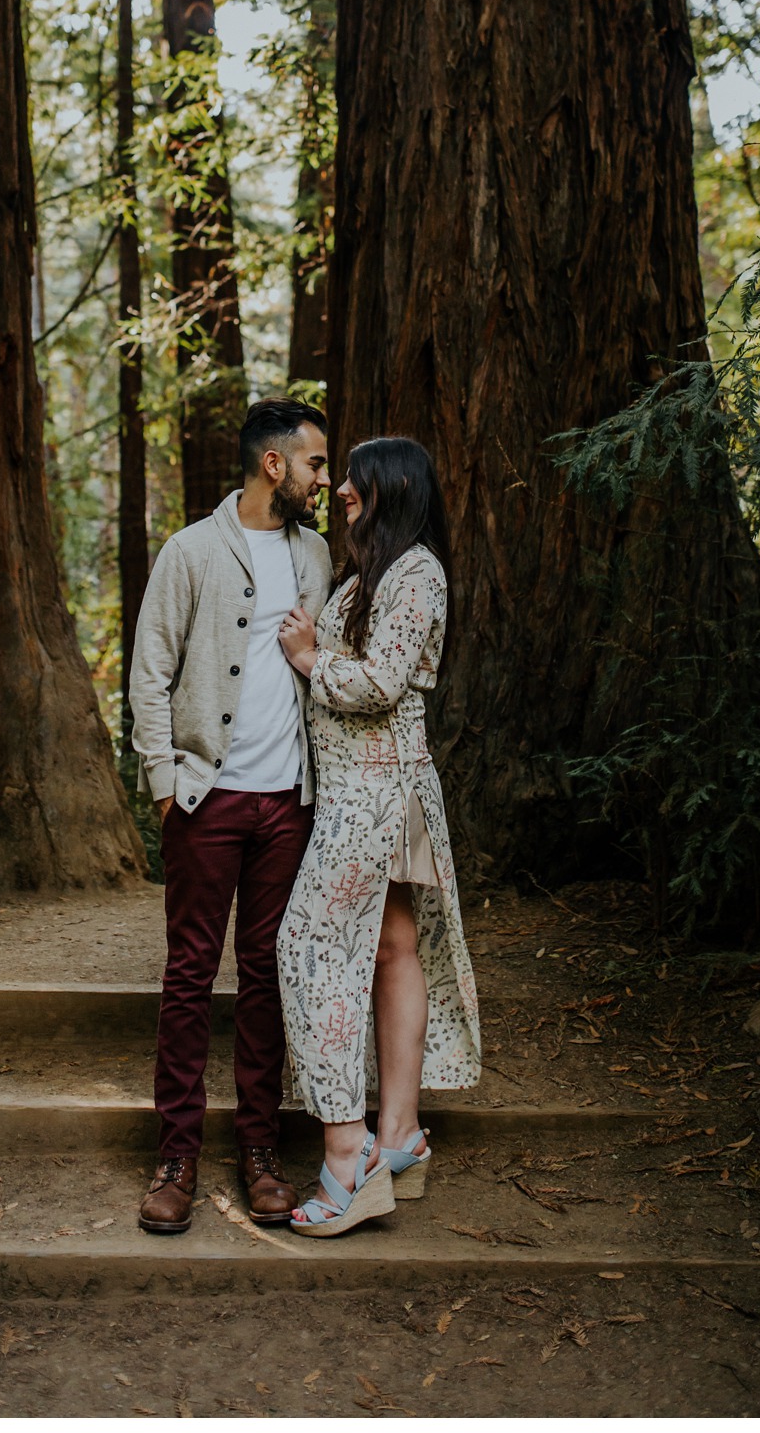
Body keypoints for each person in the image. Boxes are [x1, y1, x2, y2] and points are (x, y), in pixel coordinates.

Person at [129, 397, 334, 1234]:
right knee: (189, 975)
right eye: (316, 462)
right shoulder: (190, 551)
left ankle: (259, 1150)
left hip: (288, 802)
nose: (327, 477)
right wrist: (161, 780)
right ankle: (176, 1154)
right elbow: (148, 671)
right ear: (274, 465)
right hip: (205, 800)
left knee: (266, 977)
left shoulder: (317, 554)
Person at [275, 435, 481, 1236]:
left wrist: (306, 657)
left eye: (352, 479)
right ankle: (398, 1134)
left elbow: (380, 683)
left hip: (375, 795)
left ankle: (346, 1154)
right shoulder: (375, 572)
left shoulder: (417, 572)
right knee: (393, 945)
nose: (341, 490)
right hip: (360, 793)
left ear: (388, 484)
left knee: (308, 947)